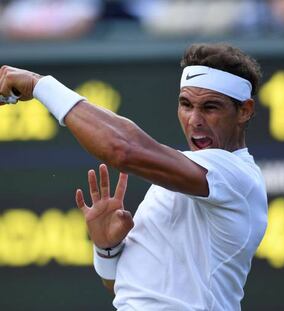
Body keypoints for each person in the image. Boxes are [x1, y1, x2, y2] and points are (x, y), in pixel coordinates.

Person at [0, 43, 268, 310]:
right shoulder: (181, 181)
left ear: (244, 110)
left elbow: (123, 149)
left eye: (210, 107)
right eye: (186, 104)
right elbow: (120, 285)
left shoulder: (236, 175)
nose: (194, 120)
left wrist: (39, 85)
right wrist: (107, 248)